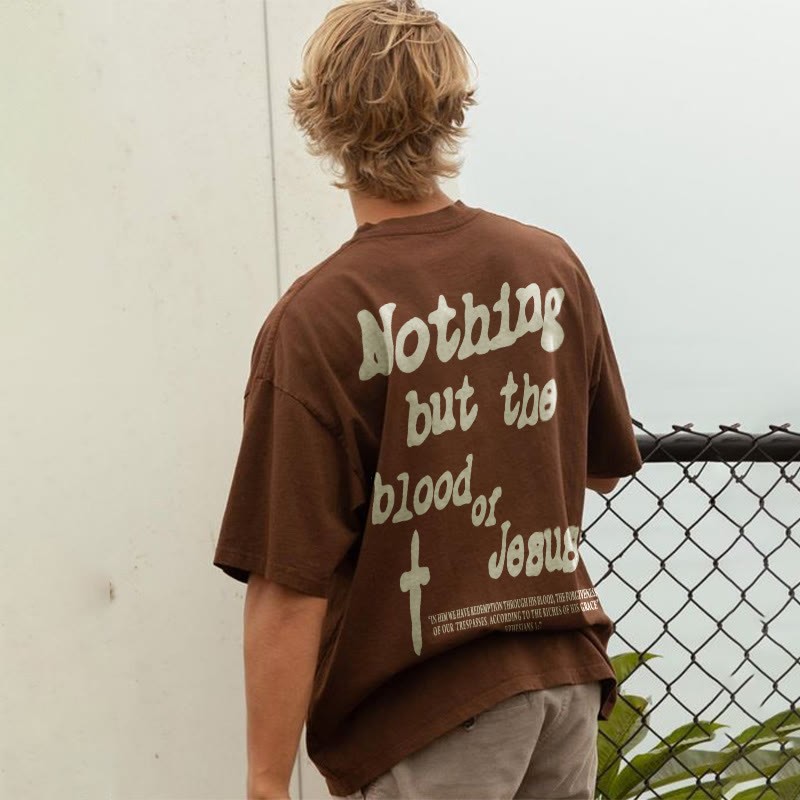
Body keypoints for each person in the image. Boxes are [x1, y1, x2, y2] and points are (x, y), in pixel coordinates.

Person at [212, 1, 643, 798]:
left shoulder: (318, 319)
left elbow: (288, 579)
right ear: (450, 110)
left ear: (321, 118)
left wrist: (267, 783)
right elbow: (603, 469)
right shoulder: (549, 268)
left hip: (429, 712)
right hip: (562, 682)